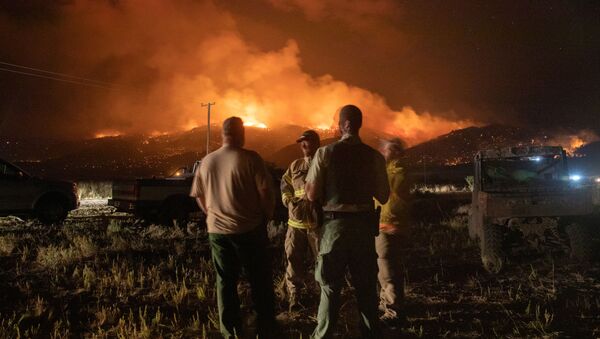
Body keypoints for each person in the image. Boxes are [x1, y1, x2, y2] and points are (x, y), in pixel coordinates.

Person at [305, 105, 390, 339]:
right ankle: (371, 334)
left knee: (330, 287)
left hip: (334, 227)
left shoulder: (325, 153)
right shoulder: (374, 157)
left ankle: (323, 335)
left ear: (342, 125)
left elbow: (311, 194)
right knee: (365, 289)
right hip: (363, 228)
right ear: (358, 125)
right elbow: (384, 195)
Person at [190, 117, 277, 338]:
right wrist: (267, 215)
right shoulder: (250, 159)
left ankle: (230, 331)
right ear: (241, 133)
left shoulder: (207, 161)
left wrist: (211, 214)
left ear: (222, 134)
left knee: (225, 282)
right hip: (249, 229)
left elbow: (198, 194)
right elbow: (266, 192)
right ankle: (266, 329)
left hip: (217, 233)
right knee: (259, 280)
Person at [281, 130, 321, 311]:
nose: (304, 145)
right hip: (295, 225)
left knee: (323, 262)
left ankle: (324, 299)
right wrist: (287, 200)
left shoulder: (323, 164)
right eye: (301, 142)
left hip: (317, 225)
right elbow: (285, 184)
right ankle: (294, 298)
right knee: (293, 261)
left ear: (316, 143)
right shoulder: (295, 165)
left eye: (307, 141)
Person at [376, 138, 410, 326]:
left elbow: (392, 198)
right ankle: (386, 305)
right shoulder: (393, 169)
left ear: (395, 151)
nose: (382, 152)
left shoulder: (397, 171)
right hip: (384, 225)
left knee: (389, 270)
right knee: (384, 269)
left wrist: (388, 222)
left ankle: (394, 312)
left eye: (386, 149)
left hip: (388, 226)